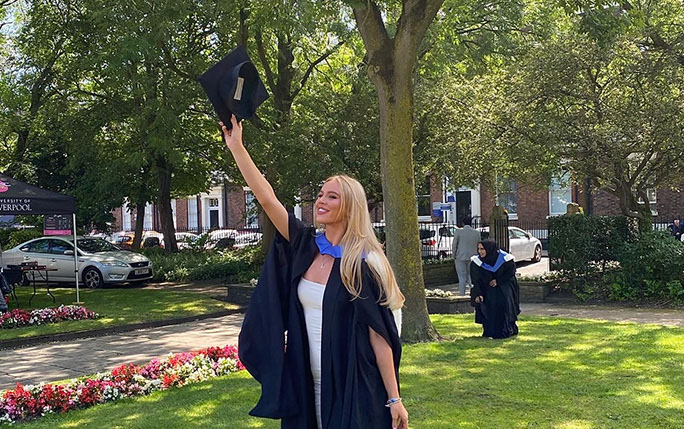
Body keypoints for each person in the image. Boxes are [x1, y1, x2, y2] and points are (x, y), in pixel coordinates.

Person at [222, 115, 408, 429]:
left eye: (332, 196)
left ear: (350, 207)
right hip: (305, 381)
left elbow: (380, 335)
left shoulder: (363, 262)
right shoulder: (306, 246)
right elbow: (267, 200)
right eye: (321, 194)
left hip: (352, 384)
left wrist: (394, 398)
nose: (321, 200)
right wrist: (237, 148)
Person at [469, 239, 520, 339]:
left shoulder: (505, 259)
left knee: (503, 305)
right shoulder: (476, 262)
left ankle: (506, 330)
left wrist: (498, 281)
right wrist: (478, 293)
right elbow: (476, 279)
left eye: (482, 249)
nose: (480, 251)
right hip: (487, 289)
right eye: (478, 249)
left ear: (489, 249)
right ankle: (489, 332)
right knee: (489, 308)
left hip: (503, 287)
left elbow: (510, 273)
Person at [451, 216, 481, 295]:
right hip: (473, 257)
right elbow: (479, 245)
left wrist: (453, 255)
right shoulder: (477, 233)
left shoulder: (458, 232)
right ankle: (473, 291)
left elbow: (454, 245)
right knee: (471, 275)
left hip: (460, 257)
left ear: (463, 223)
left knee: (462, 276)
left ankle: (462, 293)